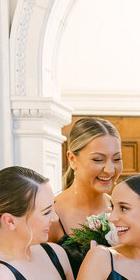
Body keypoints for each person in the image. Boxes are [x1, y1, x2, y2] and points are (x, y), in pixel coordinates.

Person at [49, 116, 123, 271]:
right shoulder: (51, 216)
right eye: (98, 159)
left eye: (117, 159)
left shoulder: (123, 210)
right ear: (72, 159)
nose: (110, 169)